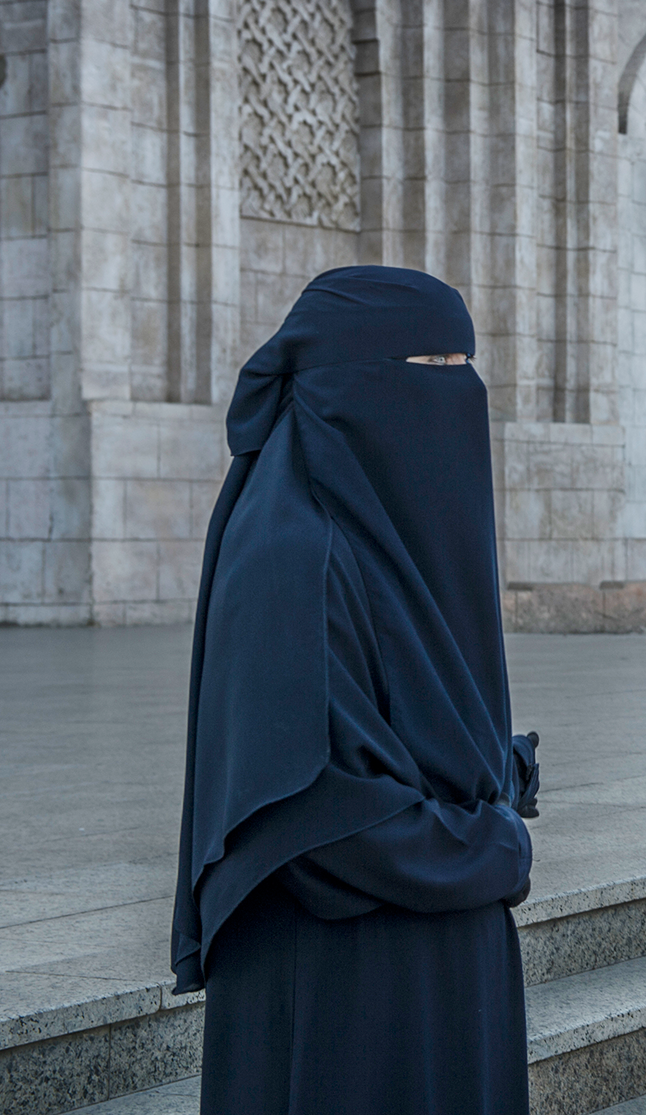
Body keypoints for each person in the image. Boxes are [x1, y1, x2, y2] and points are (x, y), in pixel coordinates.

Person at [171, 266, 539, 1115]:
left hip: (430, 990)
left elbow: (411, 720)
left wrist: (492, 775)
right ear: (355, 390)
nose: (457, 402)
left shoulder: (378, 538)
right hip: (349, 1005)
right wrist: (496, 846)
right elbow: (311, 822)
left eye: (463, 371)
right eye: (433, 372)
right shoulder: (289, 563)